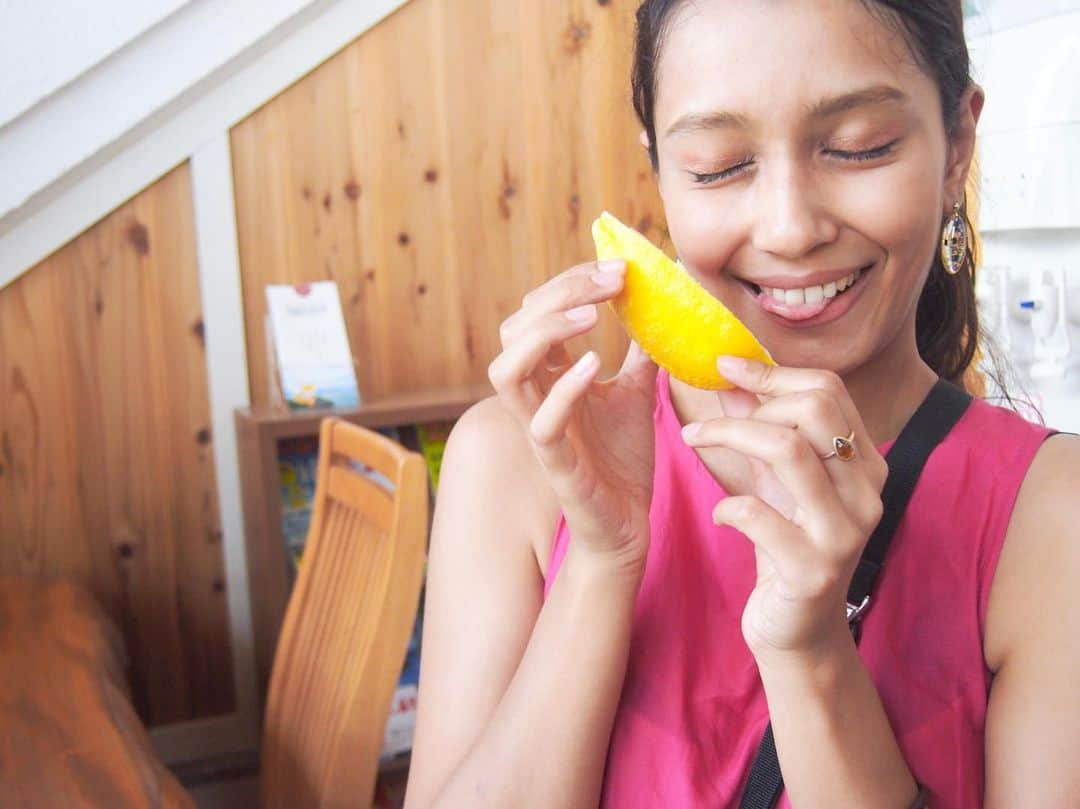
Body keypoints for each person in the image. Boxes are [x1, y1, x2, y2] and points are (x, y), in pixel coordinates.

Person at [404, 1, 1080, 807]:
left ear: (957, 145)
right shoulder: (517, 457)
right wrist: (600, 561)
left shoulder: (1052, 518)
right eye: (720, 165)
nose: (790, 228)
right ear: (659, 167)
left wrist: (813, 653)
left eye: (859, 146)